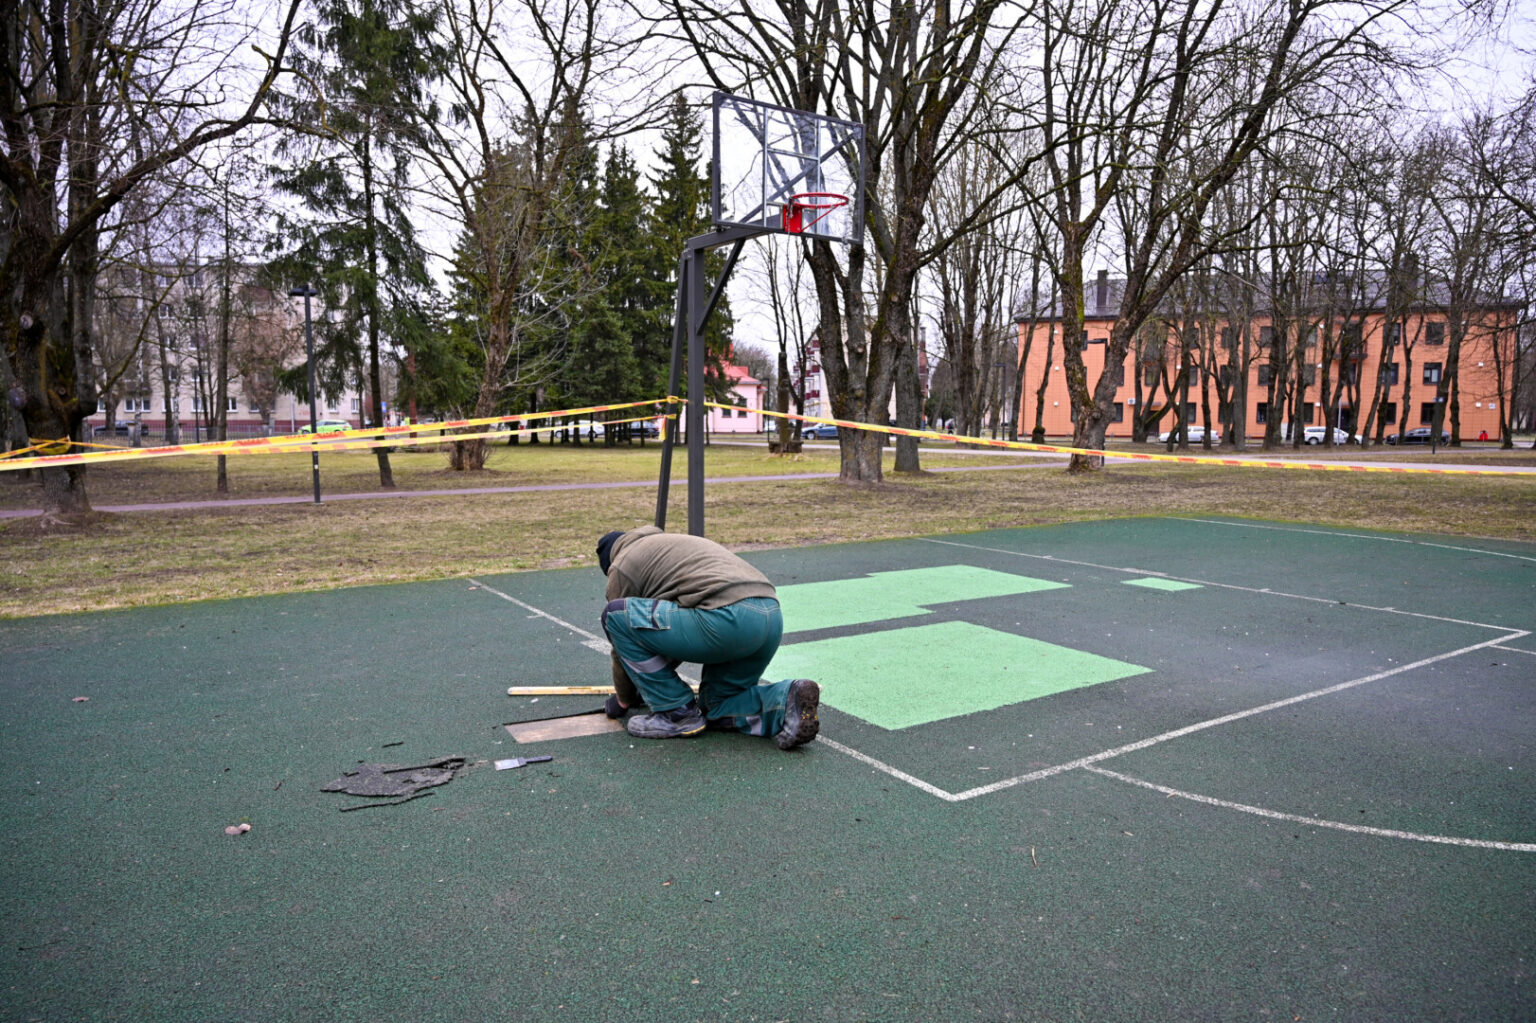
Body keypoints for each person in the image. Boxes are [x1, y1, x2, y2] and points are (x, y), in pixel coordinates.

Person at [595, 526, 820, 749]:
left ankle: (676, 713)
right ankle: (787, 698)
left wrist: (623, 699)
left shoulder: (621, 566)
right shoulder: (669, 545)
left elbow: (624, 640)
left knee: (615, 616)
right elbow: (665, 634)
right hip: (770, 616)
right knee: (717, 705)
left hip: (727, 619)